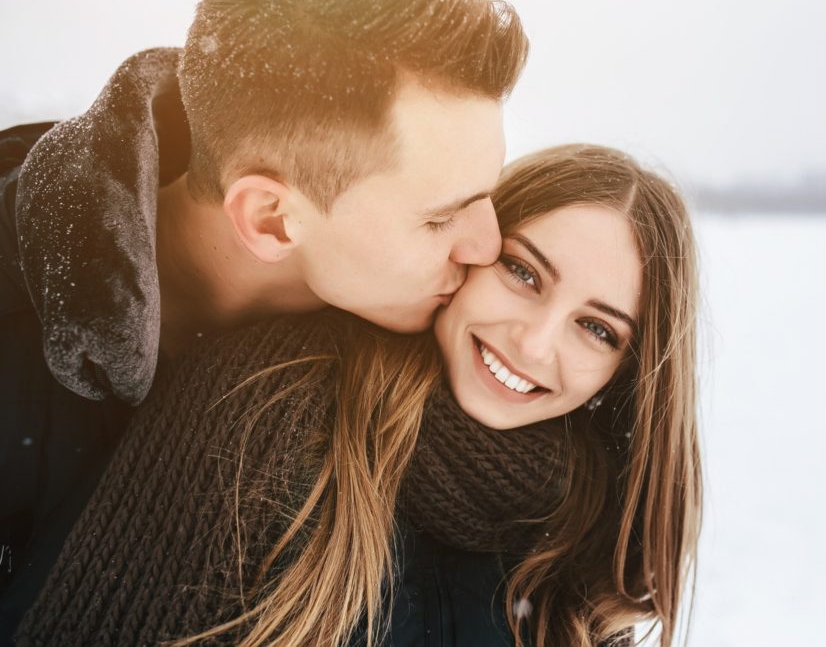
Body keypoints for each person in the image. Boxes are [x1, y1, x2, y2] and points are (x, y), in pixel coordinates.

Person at [0, 0, 527, 637]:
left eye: (490, 192)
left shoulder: (431, 338)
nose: (488, 244)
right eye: (440, 218)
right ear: (272, 218)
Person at [17, 145, 703, 647]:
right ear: (470, 246)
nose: (534, 343)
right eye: (523, 272)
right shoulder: (264, 404)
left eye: (595, 327)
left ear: (628, 369)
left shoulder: (588, 541)